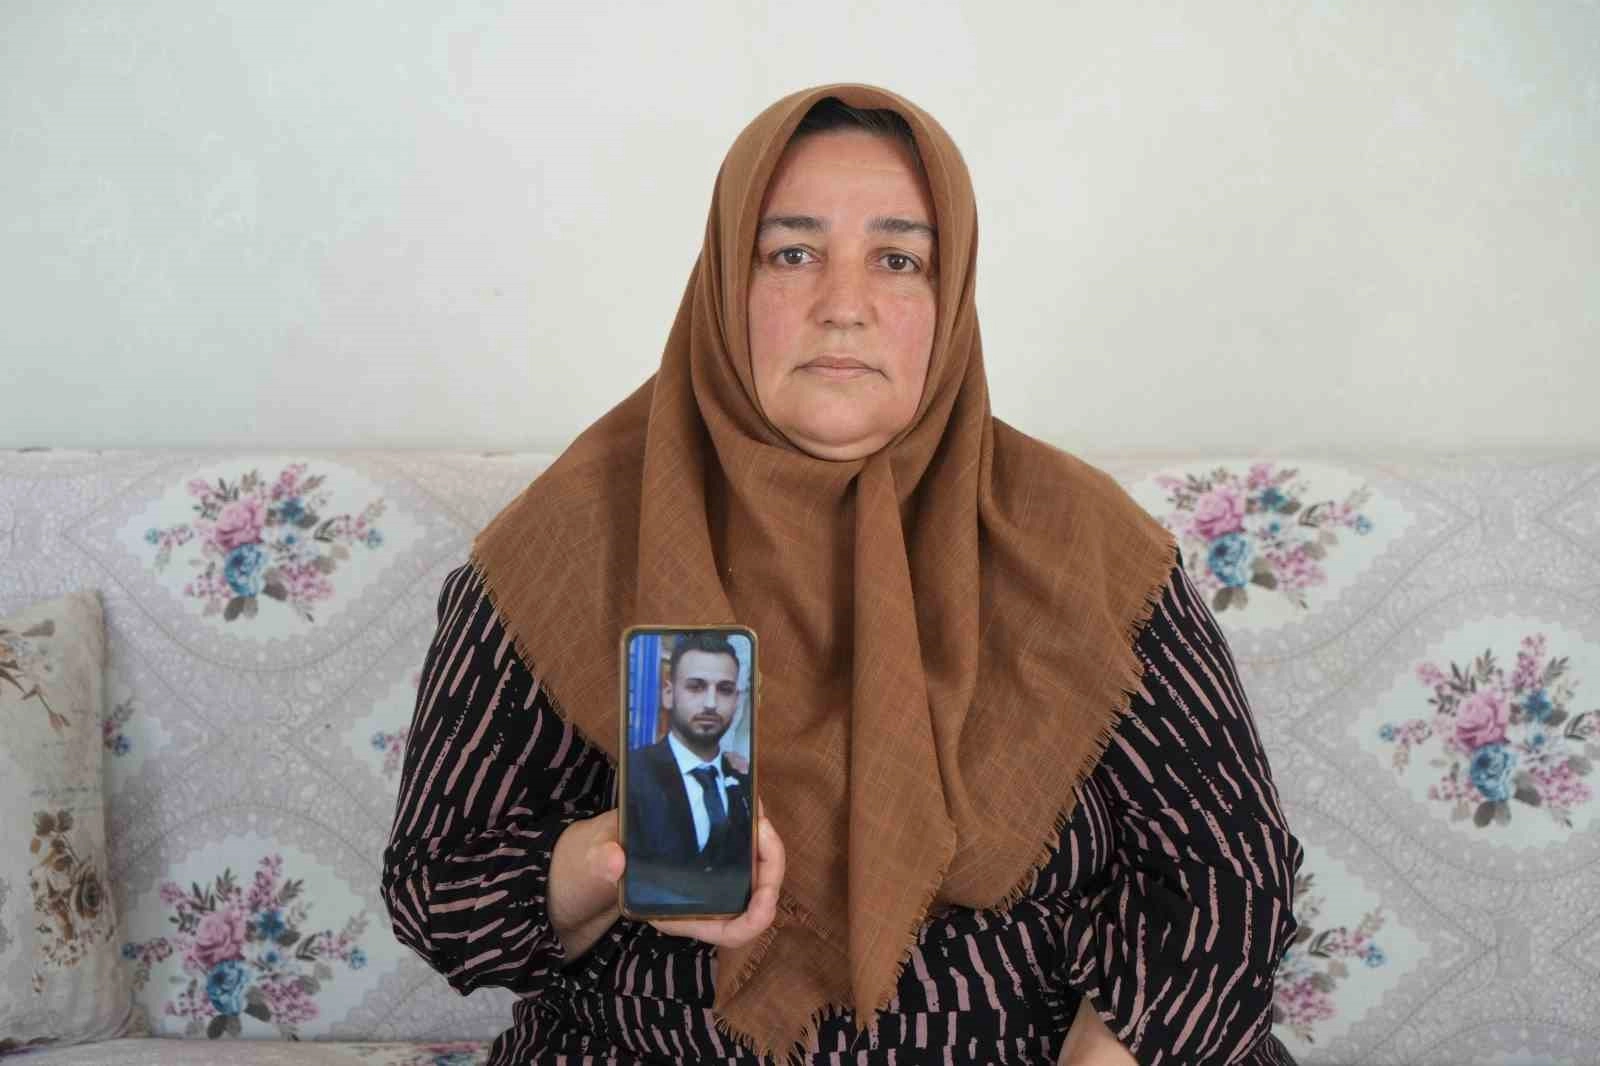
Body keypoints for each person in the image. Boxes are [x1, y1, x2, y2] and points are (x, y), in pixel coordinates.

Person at [381, 83, 1304, 1066]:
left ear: (950, 302)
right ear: (724, 283)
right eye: (792, 254)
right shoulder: (569, 539)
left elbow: (1228, 875)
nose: (843, 307)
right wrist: (620, 854)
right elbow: (440, 892)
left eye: (898, 260)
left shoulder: (1081, 543)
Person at [624, 632, 754, 906]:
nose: (711, 703)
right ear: (669, 694)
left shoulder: (744, 781)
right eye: (695, 687)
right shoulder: (633, 773)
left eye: (725, 689)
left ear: (736, 700)